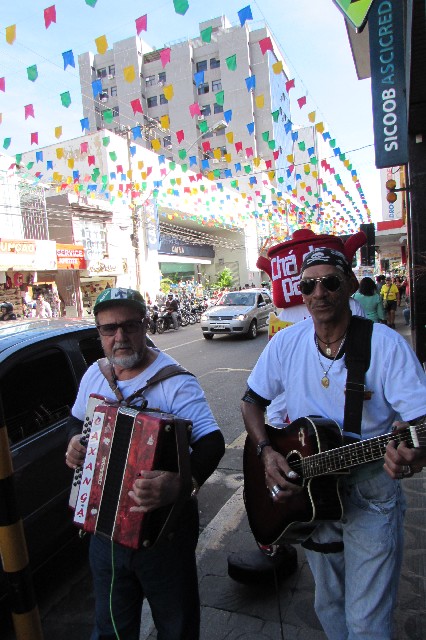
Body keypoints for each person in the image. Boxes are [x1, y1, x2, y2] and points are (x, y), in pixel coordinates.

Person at [241, 248, 426, 640]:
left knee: (365, 622)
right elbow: (251, 401)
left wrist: (413, 454)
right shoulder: (285, 344)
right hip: (311, 494)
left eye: (330, 282)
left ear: (351, 287)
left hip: (370, 493)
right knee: (328, 605)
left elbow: (420, 422)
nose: (319, 292)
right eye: (309, 284)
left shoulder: (385, 345)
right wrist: (266, 451)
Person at [65, 288, 225, 640]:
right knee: (110, 628)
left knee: (176, 626)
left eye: (129, 326)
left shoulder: (174, 382)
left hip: (163, 535)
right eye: (109, 329)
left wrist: (182, 483)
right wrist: (74, 443)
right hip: (104, 532)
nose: (119, 336)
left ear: (144, 324)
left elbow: (213, 443)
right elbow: (77, 421)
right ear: (99, 333)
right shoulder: (96, 373)